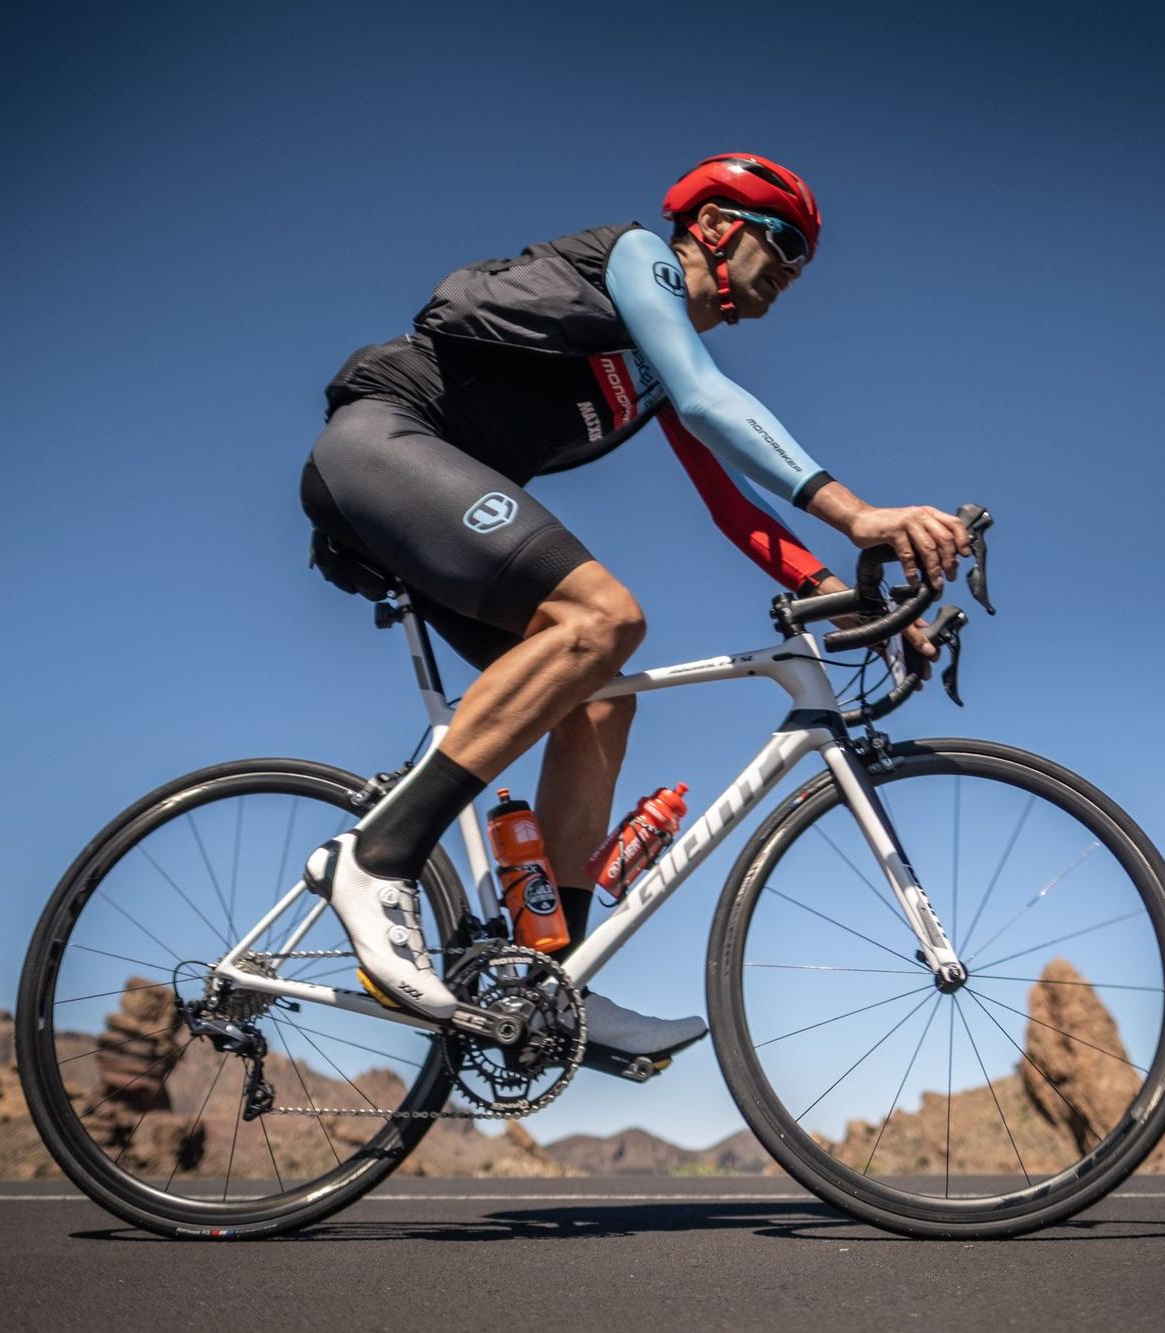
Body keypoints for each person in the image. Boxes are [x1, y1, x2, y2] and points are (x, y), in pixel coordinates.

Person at [298, 153, 972, 1072]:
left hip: (424, 496)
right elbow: (710, 396)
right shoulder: (637, 258)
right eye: (783, 241)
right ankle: (377, 858)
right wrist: (860, 513)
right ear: (718, 226)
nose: (792, 268)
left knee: (603, 696)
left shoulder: (654, 371)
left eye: (805, 260)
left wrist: (855, 590)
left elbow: (735, 506)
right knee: (604, 616)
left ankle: (551, 976)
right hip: (382, 444)